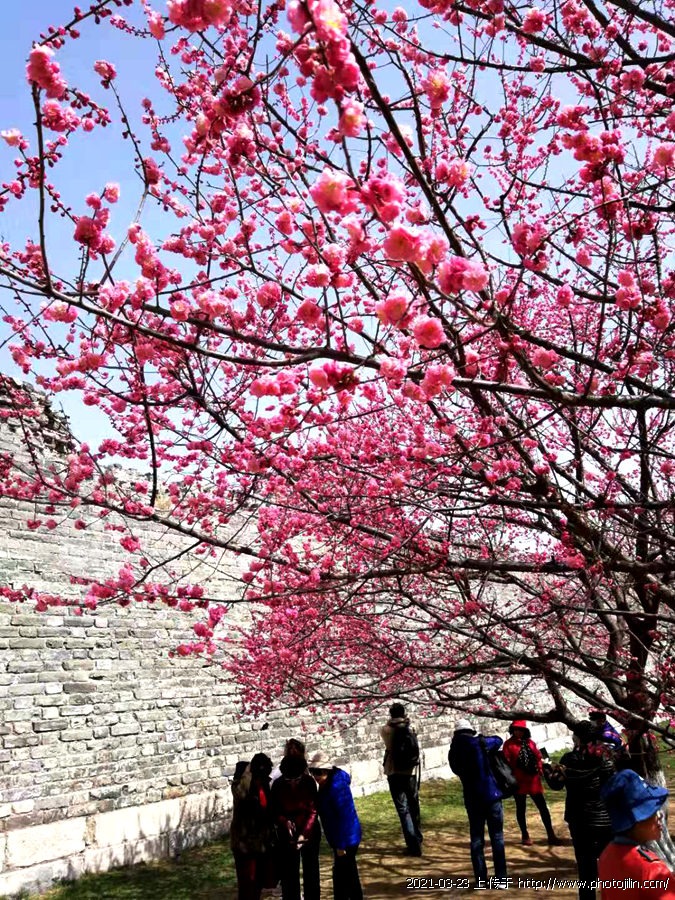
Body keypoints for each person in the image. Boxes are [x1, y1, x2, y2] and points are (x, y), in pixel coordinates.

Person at [544, 720, 615, 900]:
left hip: (579, 819)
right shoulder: (605, 758)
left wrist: (547, 771)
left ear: (577, 738)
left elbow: (556, 785)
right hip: (605, 819)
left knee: (586, 869)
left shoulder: (568, 760)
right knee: (611, 866)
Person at [448, 718, 508, 888]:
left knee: (476, 839)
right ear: (470, 731)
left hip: (472, 798)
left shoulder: (453, 751)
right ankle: (501, 878)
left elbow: (456, 769)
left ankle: (481, 879)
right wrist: (482, 738)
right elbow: (498, 740)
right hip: (490, 794)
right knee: (497, 837)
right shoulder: (479, 744)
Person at [598, 769, 675, 899]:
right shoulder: (652, 870)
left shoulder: (606, 856)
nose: (659, 816)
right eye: (652, 812)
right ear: (636, 821)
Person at [309, 751, 363, 900]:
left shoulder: (336, 787)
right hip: (341, 838)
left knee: (345, 875)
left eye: (319, 772)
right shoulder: (327, 784)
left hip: (346, 839)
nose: (316, 776)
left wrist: (340, 845)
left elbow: (344, 817)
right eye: (313, 772)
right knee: (345, 873)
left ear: (327, 771)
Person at [270, 744, 321, 900]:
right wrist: (284, 821)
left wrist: (304, 834)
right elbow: (274, 810)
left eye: (296, 779)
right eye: (289, 780)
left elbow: (313, 810)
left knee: (311, 870)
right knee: (289, 873)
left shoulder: (309, 782)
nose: (292, 782)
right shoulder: (278, 785)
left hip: (309, 830)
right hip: (287, 834)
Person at [502, 720, 562, 846]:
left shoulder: (530, 743)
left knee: (543, 807)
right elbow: (506, 762)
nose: (518, 732)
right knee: (521, 808)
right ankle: (525, 834)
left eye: (520, 729)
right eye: (516, 729)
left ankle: (550, 834)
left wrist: (539, 769)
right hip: (518, 781)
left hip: (533, 780)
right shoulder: (509, 744)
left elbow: (538, 757)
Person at [230, 753, 276, 900]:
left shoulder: (264, 784)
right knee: (247, 884)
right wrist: (248, 772)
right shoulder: (240, 785)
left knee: (257, 884)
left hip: (261, 843)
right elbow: (242, 794)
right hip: (244, 844)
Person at [381, 702, 423, 856]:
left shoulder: (386, 730)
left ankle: (412, 845)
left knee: (403, 809)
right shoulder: (411, 727)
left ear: (391, 714)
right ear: (403, 713)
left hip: (393, 772)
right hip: (410, 771)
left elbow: (386, 732)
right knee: (413, 805)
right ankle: (418, 837)